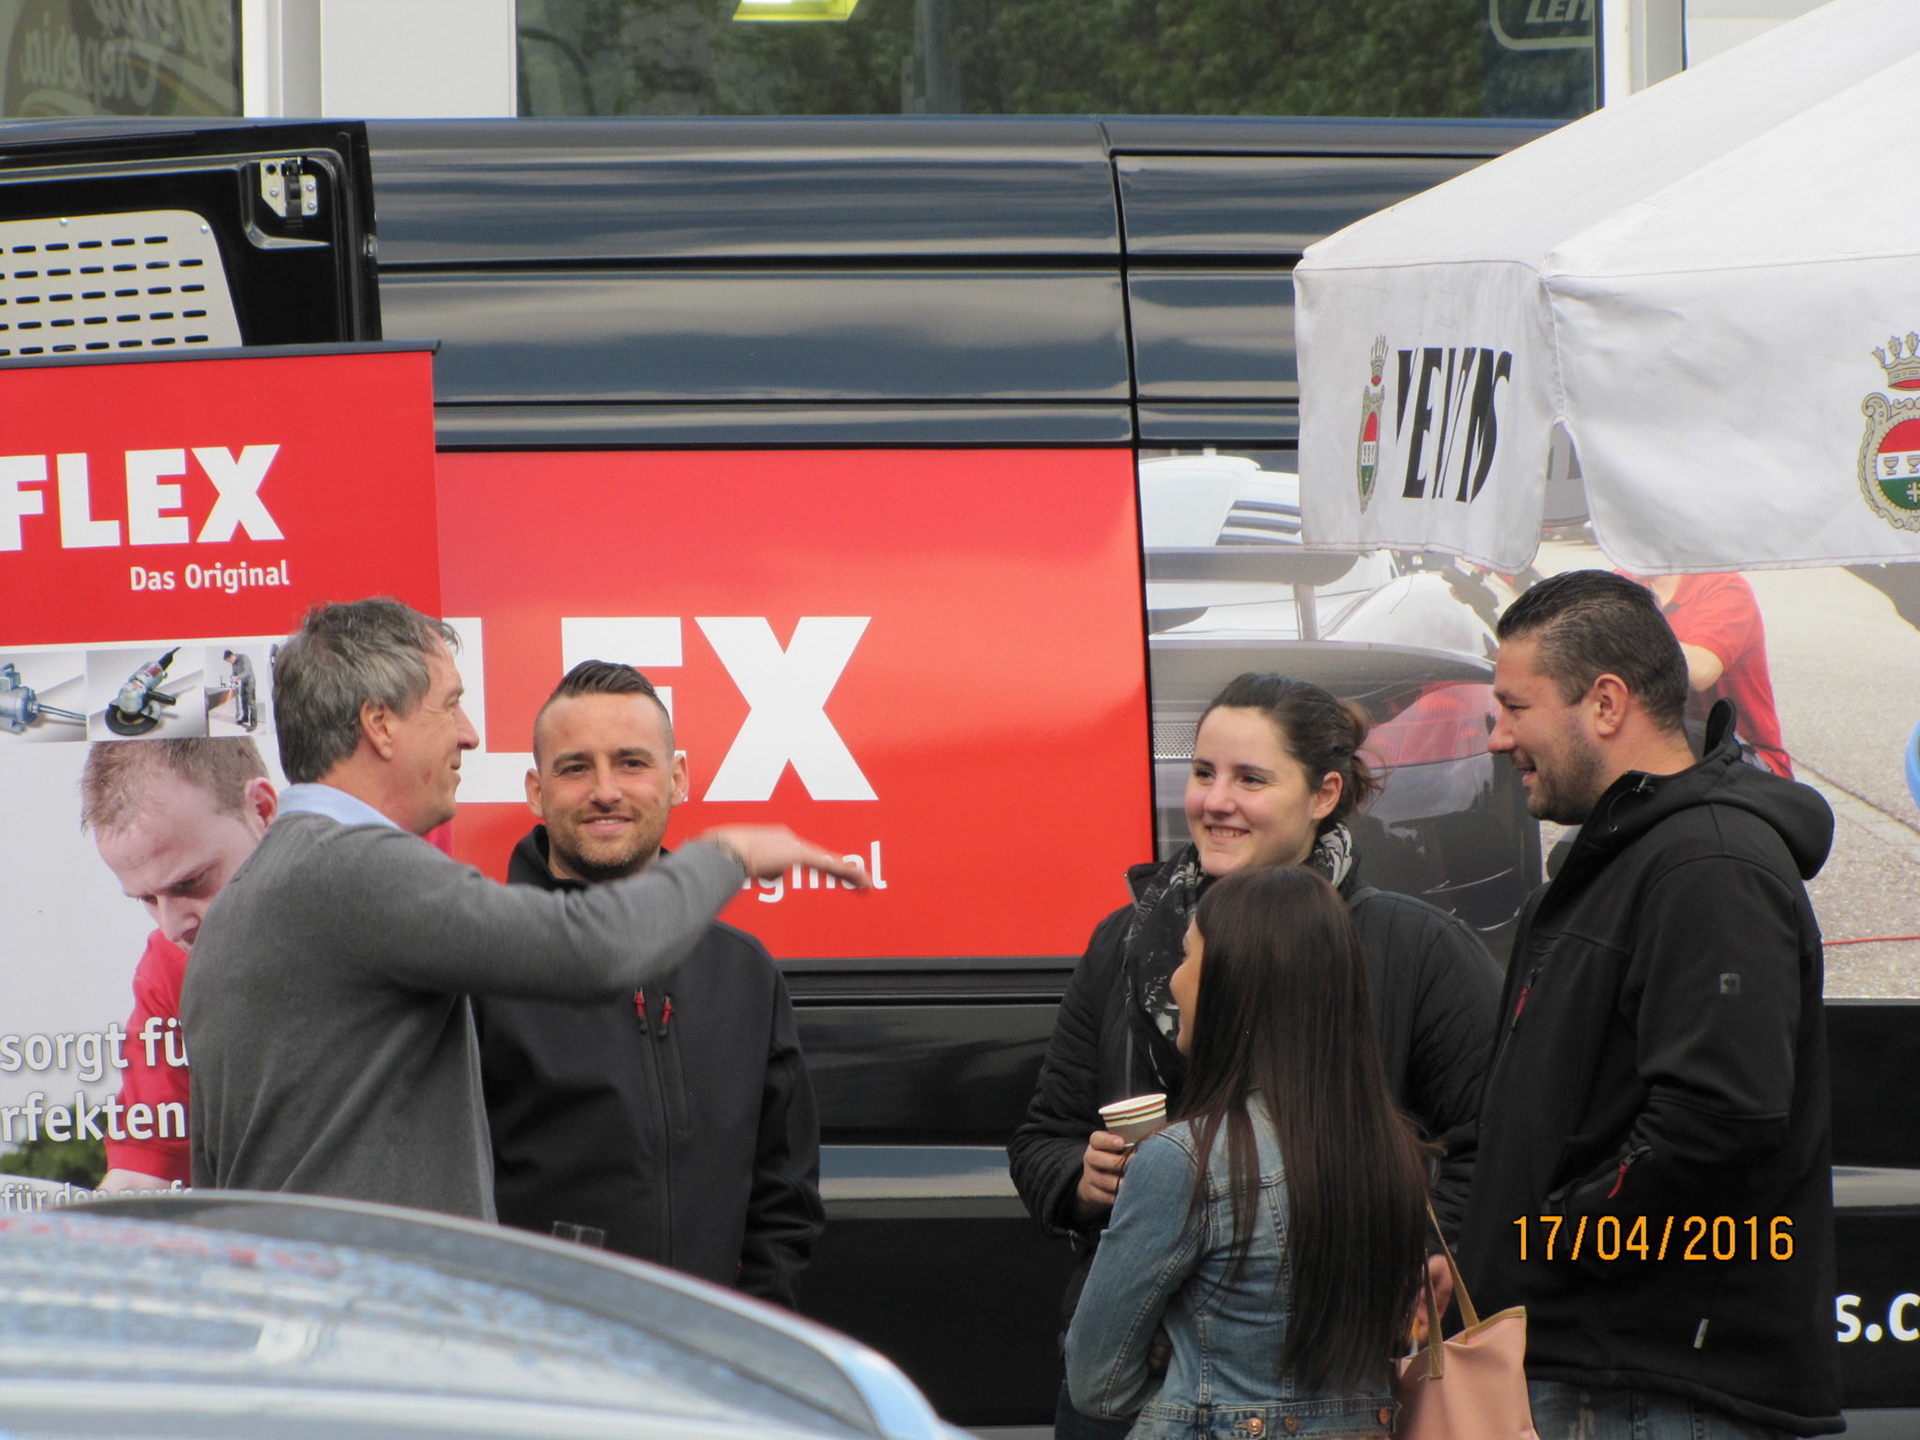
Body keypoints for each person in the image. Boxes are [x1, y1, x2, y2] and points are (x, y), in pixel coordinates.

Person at [182, 597, 867, 1218]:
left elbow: (217, 1170)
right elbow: (596, 949)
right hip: (367, 1304)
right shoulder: (353, 868)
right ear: (380, 724)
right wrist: (728, 854)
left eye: (632, 763)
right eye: (450, 705)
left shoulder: (244, 898)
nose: (470, 734)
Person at [1009, 671, 1500, 1440]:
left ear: (1324, 793)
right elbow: (1042, 1137)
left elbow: (1491, 1142)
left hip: (1328, 1374)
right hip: (1136, 1385)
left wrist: (1426, 1253)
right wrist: (1082, 1177)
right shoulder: (1124, 943)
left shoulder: (1415, 947)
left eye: (1250, 779)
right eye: (1203, 773)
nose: (1215, 801)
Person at [1464, 569, 1840, 1439]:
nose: (1497, 737)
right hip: (1601, 1370)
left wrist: (1552, 1243)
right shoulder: (1625, 859)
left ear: (1605, 703)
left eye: (1514, 707)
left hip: (1654, 1389)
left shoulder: (1709, 865)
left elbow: (1718, 1119)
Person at [476, 660, 824, 1306]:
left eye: (631, 763)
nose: (605, 791)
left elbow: (784, 1202)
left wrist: (745, 1337)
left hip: (701, 1354)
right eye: (575, 768)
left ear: (678, 778)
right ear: (535, 791)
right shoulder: (482, 968)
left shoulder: (744, 971)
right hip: (535, 1352)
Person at [1064, 865, 1431, 1440]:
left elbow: (1096, 1381)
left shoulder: (1184, 1160)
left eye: (1188, 956)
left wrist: (1183, 1375)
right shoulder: (1394, 1153)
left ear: (1235, 983)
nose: (1174, 980)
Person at [80, 737, 275, 1191]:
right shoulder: (170, 970)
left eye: (191, 882)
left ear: (263, 812)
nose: (172, 928)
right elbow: (142, 1176)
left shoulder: (396, 897)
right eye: (147, 899)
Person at [1629, 572, 1791, 777]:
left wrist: (1629, 630)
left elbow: (1702, 671)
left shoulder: (1724, 587)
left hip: (1742, 758)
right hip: (1668, 749)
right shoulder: (1626, 579)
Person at [222, 649, 257, 732]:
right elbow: (234, 673)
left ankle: (253, 723)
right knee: (243, 700)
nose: (230, 662)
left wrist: (237, 677)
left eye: (229, 660)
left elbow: (246, 671)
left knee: (251, 702)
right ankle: (245, 717)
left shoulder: (244, 658)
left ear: (232, 656)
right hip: (243, 682)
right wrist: (232, 679)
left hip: (250, 682)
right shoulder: (233, 663)